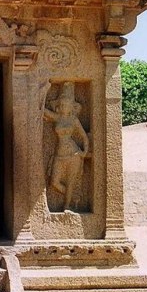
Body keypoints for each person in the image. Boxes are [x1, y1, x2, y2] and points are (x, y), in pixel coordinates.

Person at [43, 82, 89, 210]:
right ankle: (74, 196)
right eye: (62, 105)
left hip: (73, 153)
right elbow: (44, 112)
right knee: (54, 182)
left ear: (71, 107)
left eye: (67, 105)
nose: (64, 107)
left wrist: (84, 152)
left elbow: (84, 137)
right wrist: (41, 94)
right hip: (59, 154)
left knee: (70, 181)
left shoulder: (74, 120)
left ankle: (67, 206)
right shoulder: (57, 118)